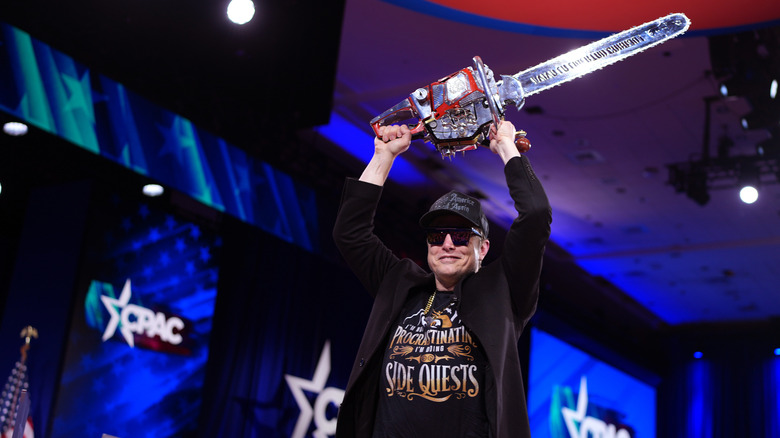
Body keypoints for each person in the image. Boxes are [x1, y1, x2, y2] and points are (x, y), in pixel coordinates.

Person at [332, 120, 551, 438]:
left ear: (483, 248)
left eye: (461, 235)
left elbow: (535, 214)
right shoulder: (399, 284)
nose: (447, 244)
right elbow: (349, 234)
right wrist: (383, 156)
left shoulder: (503, 291)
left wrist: (506, 147)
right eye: (437, 235)